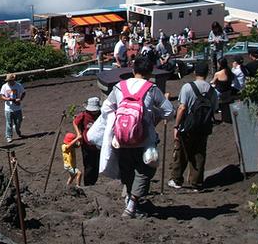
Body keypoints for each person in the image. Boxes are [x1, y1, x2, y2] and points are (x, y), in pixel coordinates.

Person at [100, 56, 174, 218]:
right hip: (144, 140)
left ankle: (128, 199)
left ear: (133, 70)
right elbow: (169, 112)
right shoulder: (152, 89)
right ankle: (132, 205)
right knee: (145, 171)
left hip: (121, 139)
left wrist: (118, 123)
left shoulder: (120, 87)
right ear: (150, 73)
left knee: (127, 169)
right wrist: (154, 118)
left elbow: (106, 108)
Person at [169, 61, 218, 191]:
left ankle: (177, 179)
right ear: (207, 73)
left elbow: (182, 107)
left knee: (182, 153)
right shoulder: (212, 90)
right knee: (199, 154)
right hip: (203, 127)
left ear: (195, 72)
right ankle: (196, 182)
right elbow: (214, 109)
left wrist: (176, 125)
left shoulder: (187, 87)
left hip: (187, 127)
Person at [73, 97, 102, 185]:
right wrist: (78, 134)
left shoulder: (101, 114)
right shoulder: (84, 115)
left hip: (98, 145)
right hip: (87, 145)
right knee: (89, 165)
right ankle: (88, 183)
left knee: (97, 165)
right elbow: (75, 122)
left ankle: (94, 182)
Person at [0, 73, 26, 143]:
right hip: (8, 109)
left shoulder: (18, 85)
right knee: (9, 123)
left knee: (19, 121)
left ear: (13, 80)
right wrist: (7, 99)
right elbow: (2, 96)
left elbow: (23, 92)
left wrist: (20, 99)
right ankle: (9, 136)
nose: (9, 82)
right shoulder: (4, 86)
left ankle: (17, 130)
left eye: (10, 80)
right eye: (8, 81)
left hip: (17, 108)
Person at [210, 57, 234, 123]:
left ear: (220, 64)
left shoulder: (218, 74)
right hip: (228, 91)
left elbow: (212, 82)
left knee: (209, 97)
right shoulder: (230, 72)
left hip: (220, 93)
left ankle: (215, 111)